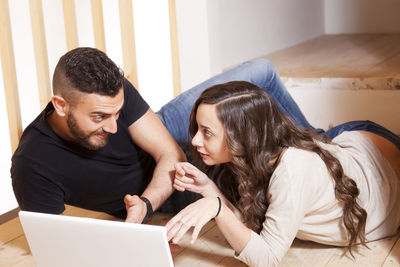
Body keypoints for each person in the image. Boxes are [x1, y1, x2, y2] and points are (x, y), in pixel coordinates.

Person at [11, 47, 308, 224]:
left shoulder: (112, 93)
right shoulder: (33, 165)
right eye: (100, 117)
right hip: (173, 186)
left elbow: (169, 152)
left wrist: (147, 202)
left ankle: (317, 144)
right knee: (270, 177)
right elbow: (56, 246)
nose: (115, 128)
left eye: (118, 112)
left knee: (261, 71)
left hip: (162, 134)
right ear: (61, 105)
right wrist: (146, 206)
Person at [165, 81, 400, 266]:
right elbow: (249, 229)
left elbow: (266, 258)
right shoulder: (255, 154)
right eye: (198, 129)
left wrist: (216, 207)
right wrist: (208, 188)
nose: (195, 139)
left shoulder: (291, 171)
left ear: (242, 135)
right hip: (345, 147)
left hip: (377, 152)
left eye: (206, 132)